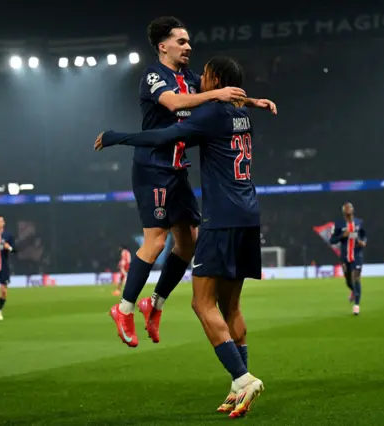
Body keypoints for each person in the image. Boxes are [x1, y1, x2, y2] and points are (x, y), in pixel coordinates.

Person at [97, 56, 265, 418]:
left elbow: (165, 135)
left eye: (205, 76)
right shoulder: (241, 116)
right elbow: (221, 108)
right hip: (249, 215)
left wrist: (120, 138)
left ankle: (242, 378)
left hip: (221, 219)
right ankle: (238, 387)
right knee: (231, 306)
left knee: (201, 304)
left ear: (218, 80)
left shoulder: (211, 114)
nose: (199, 80)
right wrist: (253, 101)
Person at [97, 15, 276, 347]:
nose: (188, 47)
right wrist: (217, 94)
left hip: (178, 169)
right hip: (153, 167)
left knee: (189, 242)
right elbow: (174, 103)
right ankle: (123, 308)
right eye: (181, 41)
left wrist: (253, 102)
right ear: (163, 46)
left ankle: (156, 303)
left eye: (189, 41)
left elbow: (218, 94)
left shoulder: (191, 78)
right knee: (155, 241)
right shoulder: (153, 76)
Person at [330, 202, 367, 315]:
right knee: (348, 280)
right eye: (347, 208)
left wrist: (363, 242)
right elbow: (332, 240)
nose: (349, 210)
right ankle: (353, 291)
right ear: (344, 212)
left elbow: (364, 236)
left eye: (350, 208)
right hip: (345, 256)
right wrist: (342, 236)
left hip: (357, 255)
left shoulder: (359, 222)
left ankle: (356, 306)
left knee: (356, 278)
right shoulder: (338, 224)